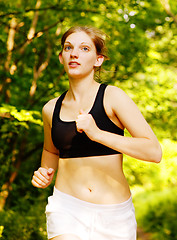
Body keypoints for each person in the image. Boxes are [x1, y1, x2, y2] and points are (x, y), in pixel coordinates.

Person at [31, 26, 162, 240]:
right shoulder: (50, 109)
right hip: (66, 209)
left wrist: (97, 133)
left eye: (84, 48)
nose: (74, 53)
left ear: (98, 60)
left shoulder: (113, 97)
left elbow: (154, 152)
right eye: (68, 48)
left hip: (114, 216)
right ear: (61, 58)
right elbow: (51, 152)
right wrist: (43, 173)